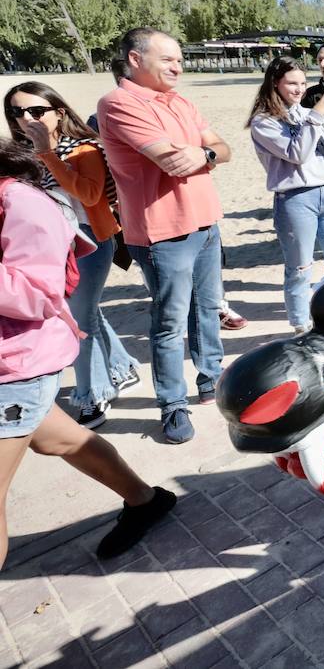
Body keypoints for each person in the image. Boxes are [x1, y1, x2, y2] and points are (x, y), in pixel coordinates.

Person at [0, 139, 177, 568]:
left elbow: (38, 293)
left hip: (15, 362)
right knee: (58, 438)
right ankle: (144, 499)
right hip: (13, 364)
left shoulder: (20, 201)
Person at [97, 28, 231, 445]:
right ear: (135, 60)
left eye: (179, 59)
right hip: (162, 235)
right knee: (169, 323)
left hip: (206, 223)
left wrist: (205, 154)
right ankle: (172, 405)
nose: (178, 66)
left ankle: (212, 378)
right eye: (167, 59)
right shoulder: (118, 103)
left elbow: (222, 149)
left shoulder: (182, 101)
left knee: (207, 308)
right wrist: (200, 154)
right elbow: (172, 161)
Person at [4, 83, 138, 429]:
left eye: (36, 111)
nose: (26, 119)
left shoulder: (83, 149)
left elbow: (91, 195)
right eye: (17, 113)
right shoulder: (21, 153)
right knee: (86, 310)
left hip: (88, 240)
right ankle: (121, 367)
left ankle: (93, 394)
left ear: (58, 112)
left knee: (78, 318)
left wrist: (47, 153)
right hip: (48, 245)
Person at [248, 56, 324, 334]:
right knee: (299, 267)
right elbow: (297, 153)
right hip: (295, 198)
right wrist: (317, 115)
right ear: (275, 83)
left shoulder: (306, 113)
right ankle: (300, 325)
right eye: (292, 83)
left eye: (303, 83)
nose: (299, 89)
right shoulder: (264, 122)